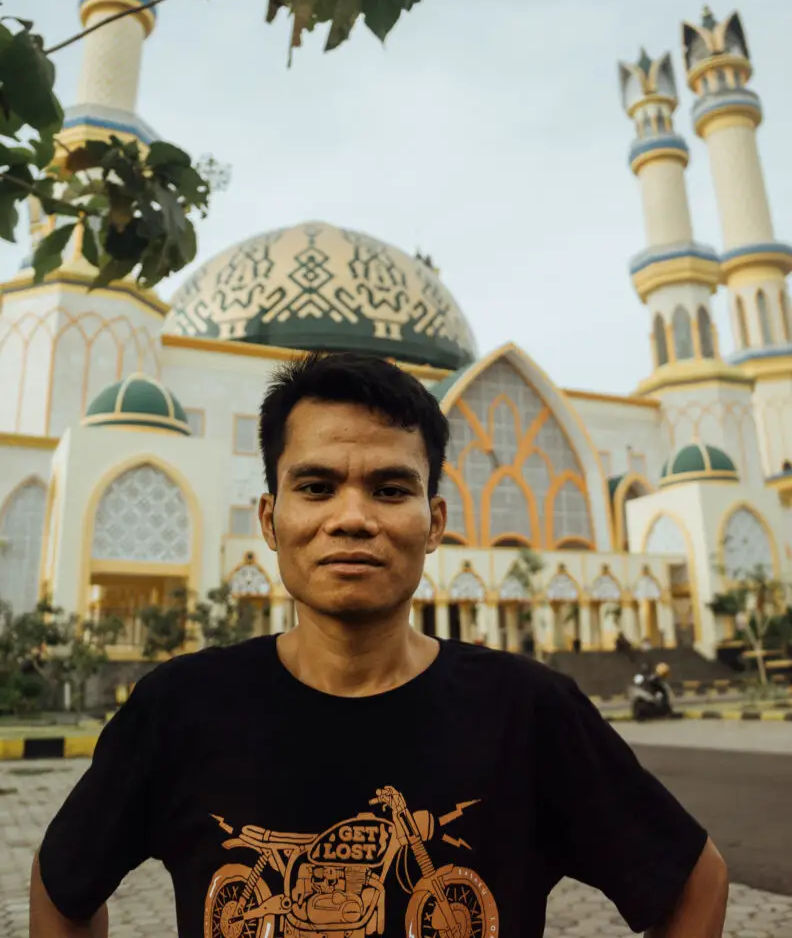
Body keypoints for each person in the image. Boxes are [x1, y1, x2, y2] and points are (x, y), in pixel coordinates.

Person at [30, 352, 728, 938]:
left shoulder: (527, 708)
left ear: (435, 522)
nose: (353, 518)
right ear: (271, 519)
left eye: (391, 489)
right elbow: (63, 883)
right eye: (317, 486)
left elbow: (694, 881)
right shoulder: (181, 707)